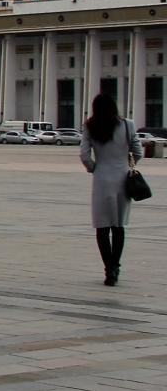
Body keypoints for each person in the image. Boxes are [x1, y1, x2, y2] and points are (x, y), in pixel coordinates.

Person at [79, 93, 142, 286]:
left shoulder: (90, 126)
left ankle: (108, 269)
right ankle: (116, 265)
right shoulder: (127, 124)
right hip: (123, 178)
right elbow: (138, 151)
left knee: (102, 227)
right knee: (119, 225)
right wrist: (127, 164)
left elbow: (84, 154)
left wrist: (94, 167)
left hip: (102, 179)